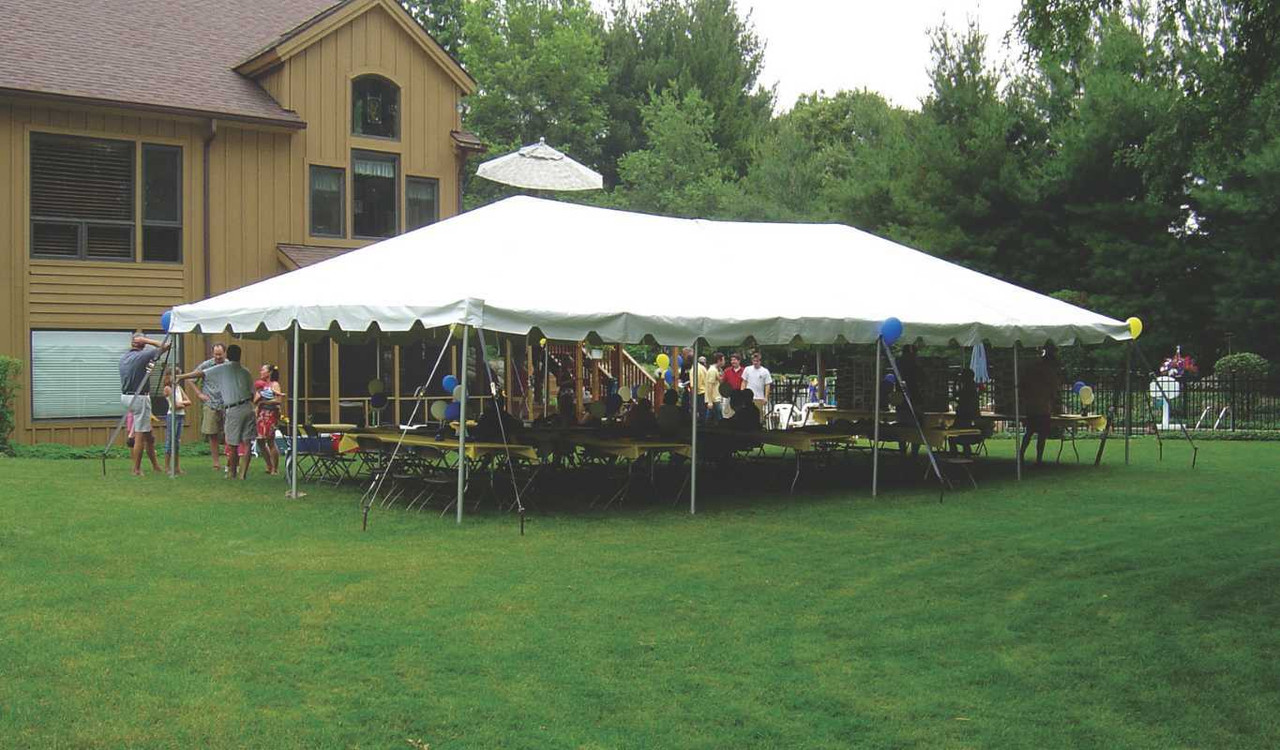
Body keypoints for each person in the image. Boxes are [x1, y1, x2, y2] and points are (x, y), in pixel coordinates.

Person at [181, 344, 256, 479]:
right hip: (248, 407)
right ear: (240, 355)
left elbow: (200, 373)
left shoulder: (223, 368)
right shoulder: (246, 371)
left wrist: (181, 377)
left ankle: (232, 473)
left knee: (232, 443)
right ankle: (243, 474)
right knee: (247, 442)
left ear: (227, 354)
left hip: (233, 408)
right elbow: (252, 393)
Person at [119, 333, 170, 476]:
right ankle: (136, 469)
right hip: (139, 397)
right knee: (140, 434)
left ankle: (155, 466)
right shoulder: (143, 356)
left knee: (148, 434)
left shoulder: (124, 358)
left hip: (126, 396)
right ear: (142, 344)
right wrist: (146, 340)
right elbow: (166, 346)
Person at [1019, 343, 1063, 465]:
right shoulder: (1049, 371)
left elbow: (1024, 385)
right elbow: (1054, 389)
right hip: (1042, 407)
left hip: (1032, 405)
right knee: (1041, 435)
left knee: (1029, 432)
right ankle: (1038, 459)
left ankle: (1021, 454)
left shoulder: (1033, 367)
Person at [193, 343, 227, 471]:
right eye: (216, 354)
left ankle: (230, 460)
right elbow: (191, 380)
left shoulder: (228, 365)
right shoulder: (206, 365)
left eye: (220, 354)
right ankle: (216, 463)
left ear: (225, 353)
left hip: (227, 403)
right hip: (211, 403)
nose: (218, 357)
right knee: (212, 434)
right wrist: (199, 394)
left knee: (228, 433)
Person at [254, 364, 285, 476]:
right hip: (261, 414)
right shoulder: (261, 385)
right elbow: (256, 399)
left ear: (269, 372)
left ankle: (275, 468)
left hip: (271, 413)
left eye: (263, 369)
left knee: (270, 440)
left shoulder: (274, 384)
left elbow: (278, 400)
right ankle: (268, 465)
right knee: (260, 440)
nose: (260, 371)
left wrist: (263, 402)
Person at [163, 370, 193, 474]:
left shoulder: (179, 388)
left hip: (181, 415)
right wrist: (180, 404)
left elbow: (189, 401)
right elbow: (175, 406)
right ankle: (167, 467)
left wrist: (181, 403)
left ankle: (176, 467)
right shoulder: (168, 389)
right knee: (170, 441)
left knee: (177, 442)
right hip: (172, 416)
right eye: (174, 375)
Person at [950, 367, 982, 457]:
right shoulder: (970, 387)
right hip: (967, 416)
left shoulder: (968, 388)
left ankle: (955, 456)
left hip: (965, 417)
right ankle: (964, 456)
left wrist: (955, 383)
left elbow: (957, 396)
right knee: (963, 439)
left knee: (955, 437)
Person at [742, 351, 773, 426]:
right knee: (746, 416)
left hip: (759, 397)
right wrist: (742, 393)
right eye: (754, 361)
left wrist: (766, 397)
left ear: (760, 361)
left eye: (757, 361)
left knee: (759, 417)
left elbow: (767, 385)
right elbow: (744, 382)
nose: (755, 362)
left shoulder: (765, 371)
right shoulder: (747, 369)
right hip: (748, 397)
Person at [703, 352, 725, 423]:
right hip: (714, 399)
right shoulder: (712, 370)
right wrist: (710, 401)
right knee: (717, 418)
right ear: (719, 360)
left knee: (715, 418)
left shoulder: (717, 370)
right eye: (723, 360)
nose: (724, 362)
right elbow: (710, 386)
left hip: (716, 398)